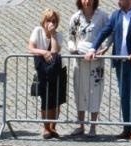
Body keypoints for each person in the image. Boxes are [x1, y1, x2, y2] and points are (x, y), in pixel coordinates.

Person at [91, 0, 131, 139]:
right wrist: (93, 48)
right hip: (120, 62)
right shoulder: (115, 15)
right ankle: (126, 128)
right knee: (124, 96)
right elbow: (104, 31)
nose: (118, 1)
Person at [68, 0, 112, 134]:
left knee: (95, 92)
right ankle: (81, 124)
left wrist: (104, 49)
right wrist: (73, 48)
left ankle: (93, 126)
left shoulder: (102, 16)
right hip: (80, 60)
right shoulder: (76, 17)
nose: (87, 1)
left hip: (96, 60)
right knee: (79, 90)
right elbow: (71, 37)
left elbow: (110, 34)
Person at [24, 9, 64, 138]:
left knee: (57, 99)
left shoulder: (59, 35)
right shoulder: (37, 31)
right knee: (45, 98)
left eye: (53, 21)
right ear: (43, 21)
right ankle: (46, 127)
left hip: (57, 69)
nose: (51, 23)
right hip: (42, 69)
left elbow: (54, 51)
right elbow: (30, 48)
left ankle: (53, 126)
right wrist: (43, 52)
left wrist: (52, 35)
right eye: (48, 20)